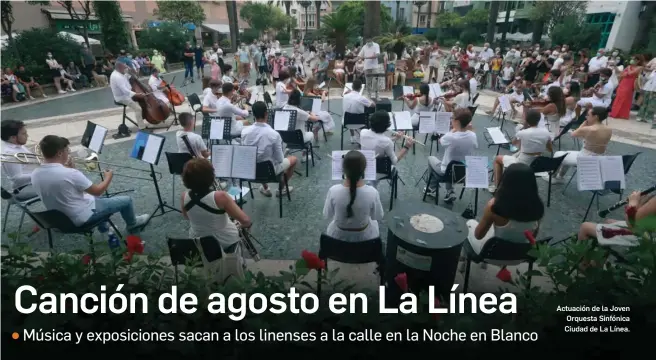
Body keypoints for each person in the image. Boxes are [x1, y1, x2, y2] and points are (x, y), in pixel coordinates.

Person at [31, 135, 149, 233]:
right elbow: (98, 191)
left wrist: (70, 169)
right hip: (80, 217)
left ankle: (104, 228)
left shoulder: (35, 173)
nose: (69, 154)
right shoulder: (70, 174)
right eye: (67, 150)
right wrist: (109, 177)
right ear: (59, 153)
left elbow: (61, 185)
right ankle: (132, 224)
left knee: (92, 198)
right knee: (126, 200)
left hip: (59, 219)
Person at [180, 158, 252, 272]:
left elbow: (186, 216)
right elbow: (246, 221)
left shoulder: (184, 196)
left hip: (197, 241)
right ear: (210, 177)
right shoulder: (220, 197)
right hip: (224, 241)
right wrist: (237, 224)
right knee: (243, 226)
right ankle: (238, 265)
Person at [465, 163, 544, 262]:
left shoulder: (494, 205)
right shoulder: (538, 206)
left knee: (470, 223)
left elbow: (478, 235)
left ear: (506, 181)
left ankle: (463, 260)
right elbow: (533, 236)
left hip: (491, 255)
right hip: (519, 256)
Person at [323, 150, 384, 242]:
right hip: (365, 240)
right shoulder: (372, 192)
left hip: (337, 239)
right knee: (373, 223)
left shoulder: (333, 191)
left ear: (343, 169)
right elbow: (378, 216)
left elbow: (327, 214)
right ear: (364, 170)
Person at [241, 101, 298, 197]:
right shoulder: (274, 134)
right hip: (269, 171)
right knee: (294, 159)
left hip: (251, 170)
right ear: (266, 114)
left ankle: (266, 188)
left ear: (253, 115)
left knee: (258, 158)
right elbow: (280, 160)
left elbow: (246, 153)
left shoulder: (244, 132)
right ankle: (281, 189)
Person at [491, 109, 552, 192]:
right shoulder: (546, 132)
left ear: (526, 120)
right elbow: (550, 149)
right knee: (516, 154)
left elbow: (513, 143)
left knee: (497, 159)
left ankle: (497, 187)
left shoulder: (523, 132)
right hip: (537, 163)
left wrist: (524, 128)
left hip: (522, 163)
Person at [424, 108, 478, 202]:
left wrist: (453, 130)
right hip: (464, 173)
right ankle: (450, 192)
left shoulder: (450, 136)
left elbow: (441, 141)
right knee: (451, 165)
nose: (451, 120)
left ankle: (431, 188)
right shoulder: (473, 136)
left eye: (452, 118)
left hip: (446, 172)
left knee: (431, 158)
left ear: (456, 121)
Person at [549, 106, 612, 183]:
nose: (586, 117)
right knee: (566, 154)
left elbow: (573, 134)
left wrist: (583, 124)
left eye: (588, 115)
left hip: (585, 158)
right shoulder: (609, 129)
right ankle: (560, 177)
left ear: (595, 117)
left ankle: (553, 177)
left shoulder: (589, 129)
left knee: (558, 154)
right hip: (599, 158)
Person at [578, 192, 656, 248]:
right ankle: (597, 262)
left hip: (642, 237)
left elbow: (631, 222)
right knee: (609, 222)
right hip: (646, 231)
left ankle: (583, 265)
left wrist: (633, 203)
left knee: (585, 227)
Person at [359, 111, 414, 187]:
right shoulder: (387, 142)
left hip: (364, 168)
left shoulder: (363, 132)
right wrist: (406, 146)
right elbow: (394, 161)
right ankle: (372, 184)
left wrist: (394, 138)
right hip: (380, 171)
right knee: (389, 164)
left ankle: (371, 184)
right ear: (386, 126)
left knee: (375, 159)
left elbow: (377, 141)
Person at [1, 120, 39, 200]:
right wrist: (40, 174)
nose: (27, 136)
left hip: (33, 182)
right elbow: (17, 179)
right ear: (13, 138)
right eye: (24, 134)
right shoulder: (10, 154)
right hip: (23, 188)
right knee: (61, 183)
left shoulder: (18, 146)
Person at [110, 62, 147, 129]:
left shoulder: (121, 72)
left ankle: (141, 120)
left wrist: (131, 72)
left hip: (127, 94)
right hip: (122, 97)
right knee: (138, 109)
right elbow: (125, 91)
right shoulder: (117, 77)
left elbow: (130, 77)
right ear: (120, 68)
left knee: (140, 104)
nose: (126, 69)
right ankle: (142, 128)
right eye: (125, 68)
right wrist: (137, 94)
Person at [610, 55, 644, 119]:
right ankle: (614, 112)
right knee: (618, 97)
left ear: (638, 61)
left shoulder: (640, 67)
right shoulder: (629, 66)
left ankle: (622, 114)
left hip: (630, 83)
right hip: (623, 82)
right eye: (632, 59)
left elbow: (631, 73)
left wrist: (628, 69)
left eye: (634, 59)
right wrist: (615, 66)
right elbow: (621, 74)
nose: (632, 60)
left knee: (625, 98)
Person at [343, 79, 375, 144]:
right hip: (360, 122)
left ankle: (352, 137)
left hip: (346, 121)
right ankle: (365, 139)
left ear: (352, 86)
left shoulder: (345, 96)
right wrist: (368, 98)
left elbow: (345, 95)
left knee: (350, 111)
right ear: (360, 88)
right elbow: (373, 105)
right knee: (371, 118)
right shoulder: (361, 98)